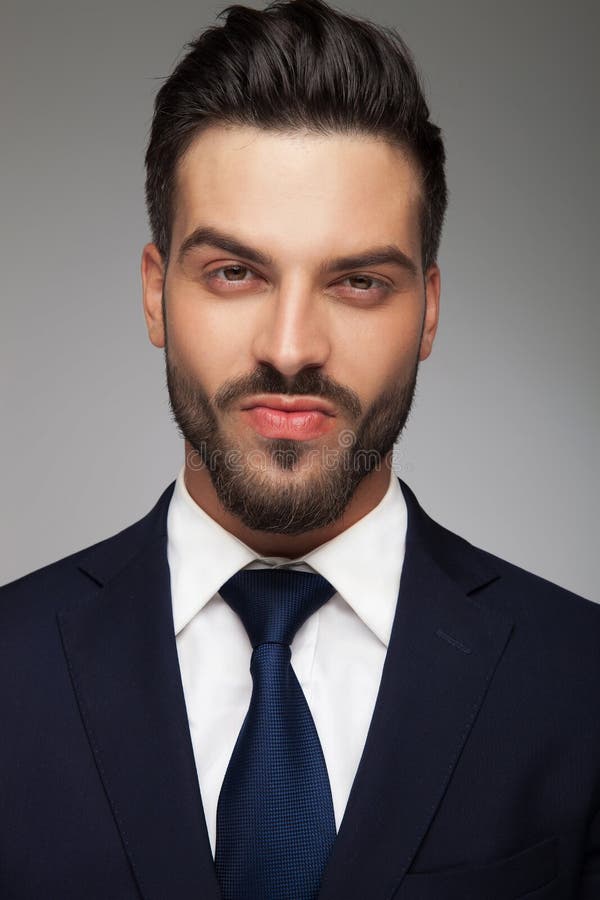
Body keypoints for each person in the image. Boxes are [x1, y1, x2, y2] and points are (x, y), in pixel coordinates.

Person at [1, 0, 598, 896]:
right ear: (157, 293)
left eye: (358, 282)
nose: (290, 346)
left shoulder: (582, 682)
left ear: (428, 310)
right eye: (234, 272)